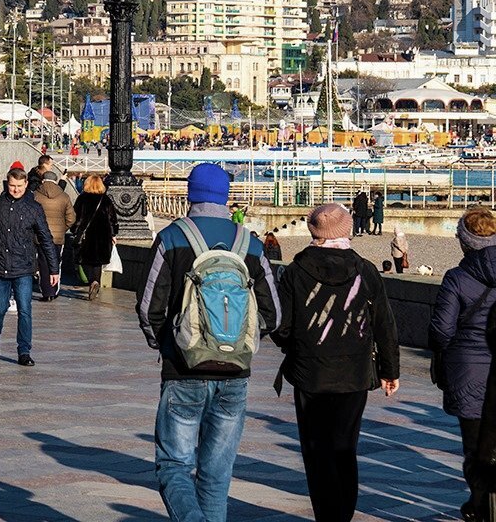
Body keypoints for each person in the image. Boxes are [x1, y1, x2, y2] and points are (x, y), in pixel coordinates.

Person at [136, 162, 280, 522]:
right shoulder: (250, 243)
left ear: (191, 194)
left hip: (183, 371)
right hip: (235, 374)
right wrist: (239, 341)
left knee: (173, 466)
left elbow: (147, 306)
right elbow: (275, 314)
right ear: (226, 197)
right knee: (217, 476)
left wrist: (168, 345)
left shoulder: (172, 237)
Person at [273, 203, 400, 522]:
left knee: (316, 451)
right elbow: (383, 323)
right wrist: (390, 370)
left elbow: (281, 325)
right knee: (345, 447)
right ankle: (342, 513)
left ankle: (327, 515)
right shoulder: (365, 270)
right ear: (346, 230)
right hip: (354, 373)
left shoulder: (295, 271)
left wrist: (297, 347)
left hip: (310, 373)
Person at [430, 207, 496, 521]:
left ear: (465, 241)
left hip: (468, 370)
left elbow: (442, 330)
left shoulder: (457, 277)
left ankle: (480, 505)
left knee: (474, 446)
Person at [0, 166, 59, 366]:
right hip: (0, 265)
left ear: (26, 184)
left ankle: (24, 351)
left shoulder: (34, 208)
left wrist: (53, 269)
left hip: (24, 267)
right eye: (12, 186)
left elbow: (46, 238)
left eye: (19, 186)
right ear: (7, 183)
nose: (16, 190)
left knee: (25, 310)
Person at [71, 174, 117, 301]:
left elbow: (77, 217)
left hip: (87, 234)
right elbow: (113, 219)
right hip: (103, 234)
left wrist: (75, 229)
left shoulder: (82, 199)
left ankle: (91, 281)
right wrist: (113, 234)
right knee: (98, 261)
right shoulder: (106, 199)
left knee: (86, 260)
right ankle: (96, 281)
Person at [33, 170, 74, 301]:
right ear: (56, 181)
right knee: (56, 262)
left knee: (43, 263)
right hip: (57, 237)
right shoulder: (64, 196)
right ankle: (54, 290)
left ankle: (46, 292)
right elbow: (71, 218)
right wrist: (62, 228)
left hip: (40, 236)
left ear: (43, 180)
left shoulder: (36, 195)